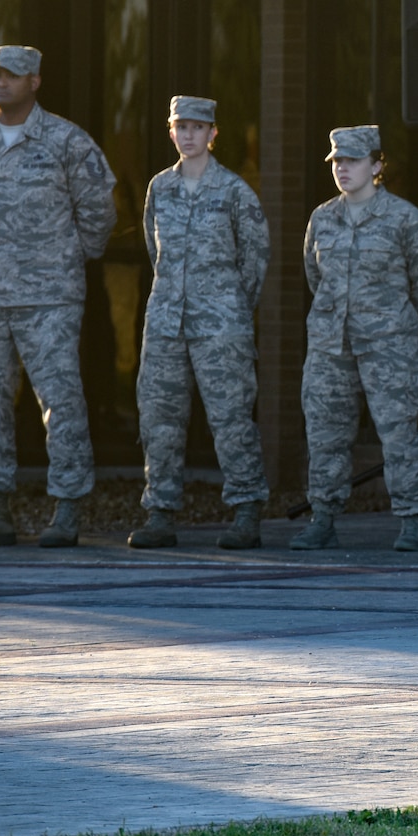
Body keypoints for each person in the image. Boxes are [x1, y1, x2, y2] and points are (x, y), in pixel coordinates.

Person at [0, 46, 116, 549]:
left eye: (13, 76)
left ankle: (66, 508)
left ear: (36, 81)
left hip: (50, 297)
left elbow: (98, 216)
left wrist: (60, 258)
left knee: (60, 401)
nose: (1, 83)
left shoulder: (68, 142)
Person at [291, 126, 418, 553]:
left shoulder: (406, 220)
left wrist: (396, 324)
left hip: (388, 346)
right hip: (329, 346)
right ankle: (322, 518)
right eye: (337, 161)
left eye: (353, 160)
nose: (343, 168)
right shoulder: (322, 218)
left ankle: (413, 520)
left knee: (398, 433)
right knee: (324, 435)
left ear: (377, 166)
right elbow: (313, 275)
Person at [128, 96, 272, 550]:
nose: (188, 134)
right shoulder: (159, 189)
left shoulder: (234, 192)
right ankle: (160, 512)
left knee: (231, 418)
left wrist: (228, 305)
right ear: (170, 133)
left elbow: (255, 260)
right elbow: (157, 256)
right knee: (159, 419)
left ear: (213, 133)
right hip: (166, 322)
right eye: (180, 126)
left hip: (221, 325)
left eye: (197, 126)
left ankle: (247, 509)